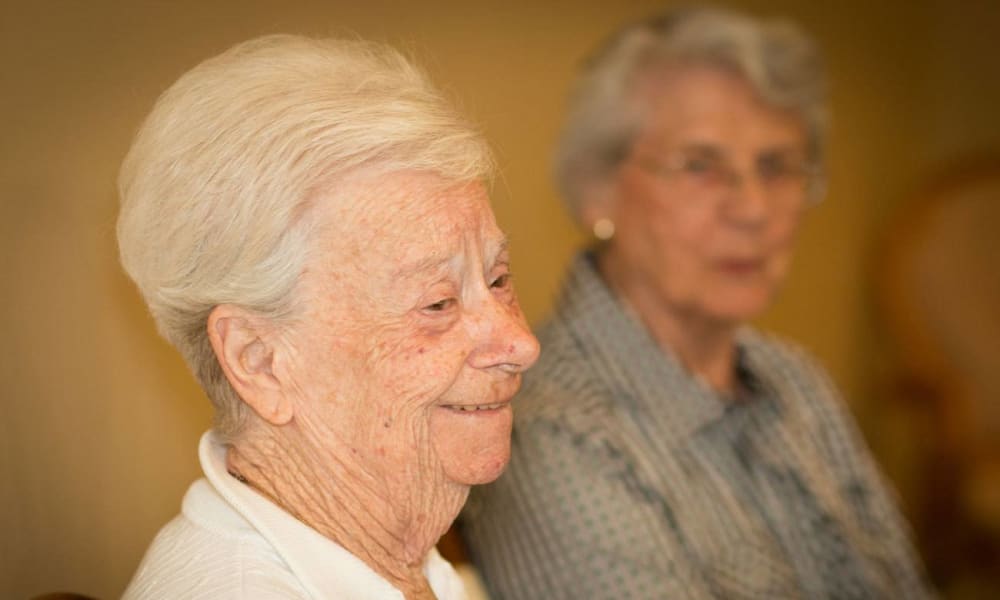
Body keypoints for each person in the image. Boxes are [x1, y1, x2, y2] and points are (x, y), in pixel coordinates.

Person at [461, 8, 933, 599]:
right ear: (595, 189)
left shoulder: (794, 377)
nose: (753, 208)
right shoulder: (553, 432)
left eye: (776, 166)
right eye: (701, 166)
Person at [117, 34, 539, 599]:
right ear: (259, 361)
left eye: (498, 280)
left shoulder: (397, 563)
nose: (520, 342)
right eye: (438, 303)